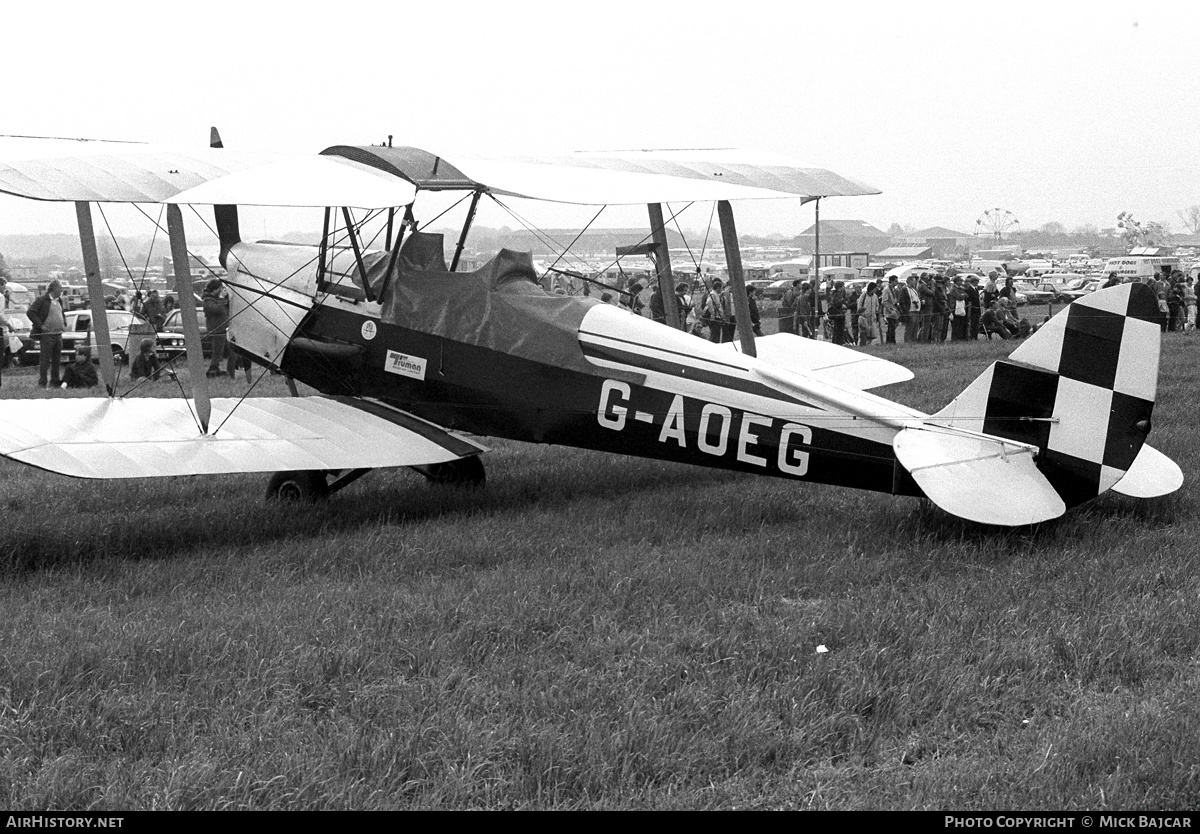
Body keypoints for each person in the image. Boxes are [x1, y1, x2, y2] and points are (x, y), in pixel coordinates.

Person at [27, 279, 67, 388]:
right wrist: (41, 325)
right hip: (47, 335)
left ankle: (54, 382)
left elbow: (61, 313)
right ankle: (42, 383)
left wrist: (64, 323)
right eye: (60, 289)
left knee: (56, 360)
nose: (61, 291)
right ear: (54, 289)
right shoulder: (42, 300)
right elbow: (30, 312)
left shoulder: (60, 300)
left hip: (58, 334)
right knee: (45, 360)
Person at [202, 278, 236, 378]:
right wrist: (221, 298)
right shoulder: (207, 301)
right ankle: (213, 369)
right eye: (220, 289)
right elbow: (218, 310)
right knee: (217, 353)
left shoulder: (217, 300)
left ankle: (230, 372)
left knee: (232, 352)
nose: (221, 291)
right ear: (215, 289)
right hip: (217, 330)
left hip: (224, 330)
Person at [881, 275, 901, 344]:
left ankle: (890, 341)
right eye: (896, 281)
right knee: (891, 327)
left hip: (894, 310)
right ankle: (891, 341)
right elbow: (884, 301)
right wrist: (890, 310)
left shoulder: (893, 289)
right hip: (889, 312)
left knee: (893, 327)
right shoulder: (886, 289)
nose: (897, 283)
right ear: (891, 281)